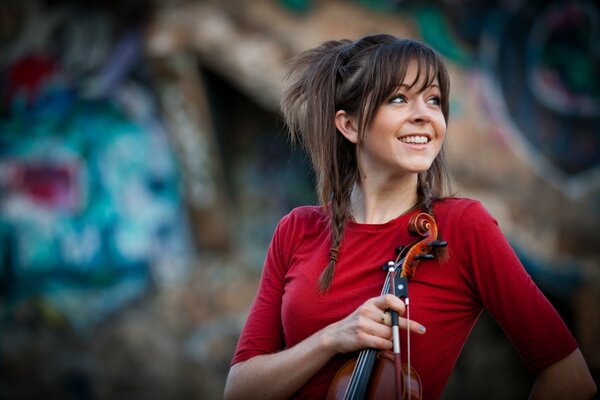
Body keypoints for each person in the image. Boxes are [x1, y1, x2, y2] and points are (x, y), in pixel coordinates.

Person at [223, 34, 596, 399]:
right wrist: (330, 339)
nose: (424, 115)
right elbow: (240, 389)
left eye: (433, 100)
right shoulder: (296, 230)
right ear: (349, 125)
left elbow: (570, 375)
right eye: (399, 98)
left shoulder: (462, 227)